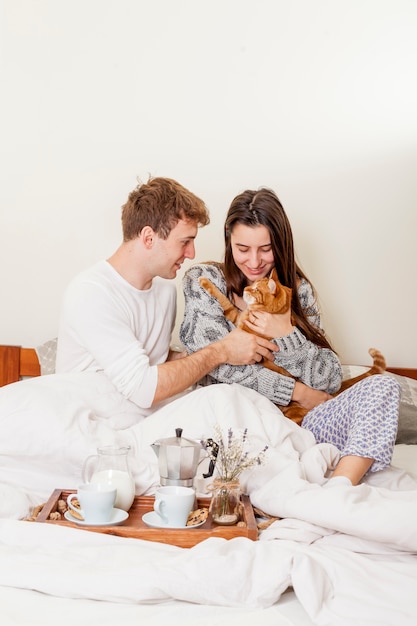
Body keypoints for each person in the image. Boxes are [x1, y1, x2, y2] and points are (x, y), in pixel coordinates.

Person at [180, 187, 400, 486]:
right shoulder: (203, 281)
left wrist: (285, 333)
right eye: (243, 248)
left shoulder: (298, 291)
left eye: (266, 249)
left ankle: (339, 490)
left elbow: (329, 380)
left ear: (281, 246)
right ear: (228, 241)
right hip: (241, 424)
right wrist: (299, 393)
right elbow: (217, 367)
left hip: (304, 426)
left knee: (384, 385)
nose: (255, 262)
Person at [55, 177, 278, 417]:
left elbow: (154, 359)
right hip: (90, 424)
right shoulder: (91, 293)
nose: (191, 253)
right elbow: (142, 387)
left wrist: (218, 348)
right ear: (149, 238)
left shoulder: (165, 292)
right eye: (185, 242)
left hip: (144, 424)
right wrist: (221, 351)